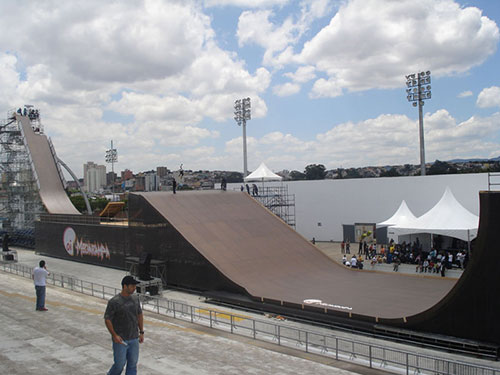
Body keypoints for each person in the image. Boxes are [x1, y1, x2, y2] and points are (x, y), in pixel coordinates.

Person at [105, 276, 144, 375]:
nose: (134, 288)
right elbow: (107, 319)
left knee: (132, 364)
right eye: (132, 286)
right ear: (124, 286)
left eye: (135, 285)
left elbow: (139, 314)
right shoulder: (115, 302)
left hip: (134, 338)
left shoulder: (135, 299)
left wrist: (141, 332)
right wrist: (114, 335)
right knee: (119, 364)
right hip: (121, 340)